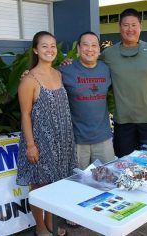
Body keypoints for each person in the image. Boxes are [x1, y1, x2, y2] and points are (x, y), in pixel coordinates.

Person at [16, 31, 76, 236]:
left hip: (62, 140)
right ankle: (40, 228)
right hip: (40, 141)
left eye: (53, 46)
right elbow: (25, 115)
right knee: (40, 185)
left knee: (55, 183)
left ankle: (50, 222)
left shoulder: (59, 74)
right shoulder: (29, 80)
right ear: (35, 50)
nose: (50, 50)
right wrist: (31, 145)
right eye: (44, 46)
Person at [100, 8, 147, 157]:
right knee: (124, 164)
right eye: (126, 25)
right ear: (120, 27)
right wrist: (69, 64)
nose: (130, 29)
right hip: (123, 122)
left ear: (140, 27)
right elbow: (90, 66)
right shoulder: (108, 54)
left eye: (134, 25)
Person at [59, 31, 115, 169]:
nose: (90, 49)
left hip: (103, 139)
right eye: (85, 45)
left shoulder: (107, 69)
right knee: (77, 183)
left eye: (94, 45)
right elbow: (43, 77)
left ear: (99, 49)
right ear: (78, 48)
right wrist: (27, 75)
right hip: (77, 141)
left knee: (107, 180)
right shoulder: (65, 70)